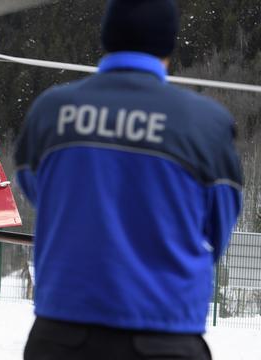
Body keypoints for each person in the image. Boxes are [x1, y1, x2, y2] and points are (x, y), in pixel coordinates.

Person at [14, 1, 242, 359]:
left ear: (107, 37)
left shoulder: (51, 110)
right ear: (169, 45)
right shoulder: (207, 122)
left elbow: (36, 188)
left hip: (62, 334)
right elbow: (219, 226)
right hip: (165, 334)